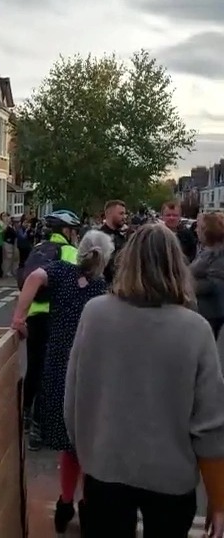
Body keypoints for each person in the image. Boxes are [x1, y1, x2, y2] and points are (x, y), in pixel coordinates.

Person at [65, 223, 224, 538]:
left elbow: (74, 396)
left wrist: (87, 452)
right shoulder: (195, 329)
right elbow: (209, 425)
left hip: (105, 467)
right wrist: (218, 501)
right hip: (171, 477)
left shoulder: (95, 314)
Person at [12, 230, 114, 534]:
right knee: (91, 444)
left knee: (69, 445)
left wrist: (20, 316)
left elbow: (33, 278)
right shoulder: (103, 288)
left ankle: (65, 502)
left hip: (59, 366)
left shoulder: (60, 272)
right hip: (92, 369)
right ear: (106, 258)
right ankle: (87, 505)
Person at [17, 210, 80, 451]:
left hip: (35, 314)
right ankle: (38, 426)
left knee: (34, 366)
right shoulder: (70, 252)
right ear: (67, 231)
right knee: (51, 370)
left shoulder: (39, 248)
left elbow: (24, 277)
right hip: (55, 316)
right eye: (74, 231)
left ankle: (24, 414)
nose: (75, 235)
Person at [190, 212, 224, 340]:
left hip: (212, 315)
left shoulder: (219, 254)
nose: (196, 229)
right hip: (204, 313)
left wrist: (188, 284)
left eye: (198, 226)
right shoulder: (206, 251)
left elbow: (215, 284)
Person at [101, 199, 127, 285]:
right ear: (109, 214)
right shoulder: (98, 237)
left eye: (124, 213)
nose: (124, 217)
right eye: (121, 213)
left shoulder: (121, 237)